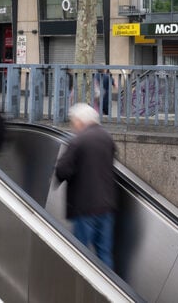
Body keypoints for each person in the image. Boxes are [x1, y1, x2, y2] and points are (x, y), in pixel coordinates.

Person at [54, 103, 117, 269]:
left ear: (80, 121)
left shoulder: (79, 141)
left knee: (81, 255)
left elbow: (62, 170)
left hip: (85, 207)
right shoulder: (106, 137)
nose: (73, 126)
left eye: (73, 122)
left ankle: (81, 291)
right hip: (106, 205)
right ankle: (108, 291)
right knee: (104, 253)